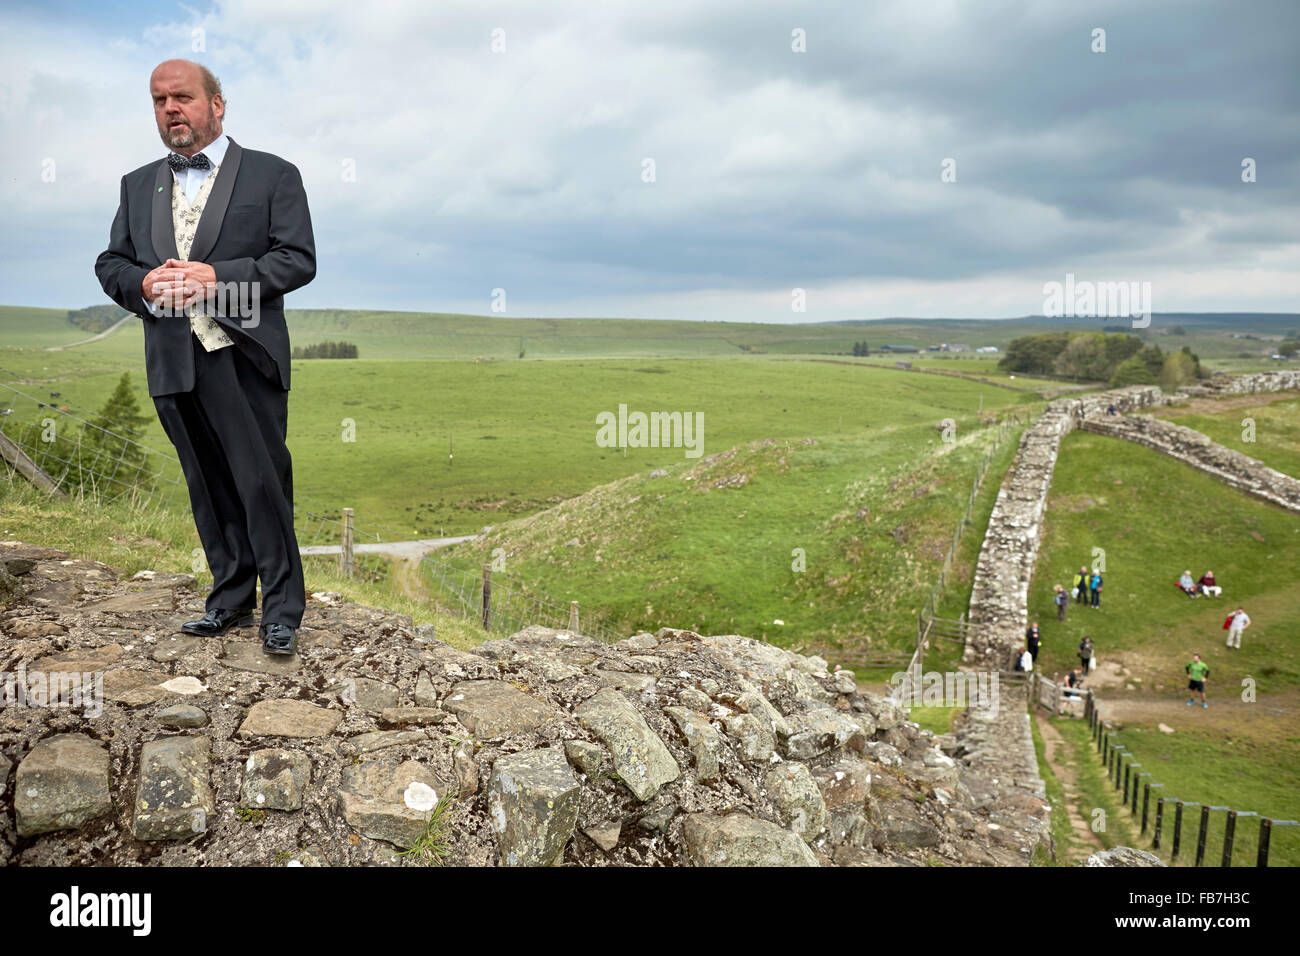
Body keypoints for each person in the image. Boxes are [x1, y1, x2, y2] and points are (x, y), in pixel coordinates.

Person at [95, 60, 316, 656]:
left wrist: (218, 277)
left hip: (243, 353)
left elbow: (296, 260)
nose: (171, 109)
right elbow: (110, 264)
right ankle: (229, 596)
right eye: (159, 100)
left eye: (183, 98)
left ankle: (284, 608)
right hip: (172, 356)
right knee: (206, 481)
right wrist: (143, 285)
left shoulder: (274, 175)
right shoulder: (137, 183)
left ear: (217, 104)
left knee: (261, 480)